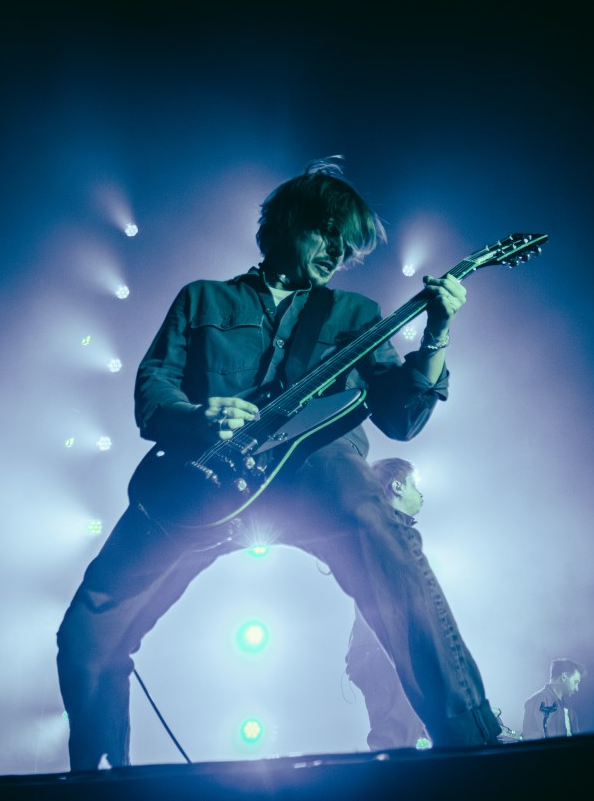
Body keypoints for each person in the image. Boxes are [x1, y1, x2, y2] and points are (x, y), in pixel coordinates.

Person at [55, 156, 503, 771]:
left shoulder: (355, 315)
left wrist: (436, 334)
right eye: (328, 232)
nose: (339, 250)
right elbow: (152, 396)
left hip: (316, 472)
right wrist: (199, 415)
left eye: (349, 245)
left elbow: (402, 418)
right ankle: (95, 781)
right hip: (202, 483)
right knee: (87, 633)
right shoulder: (202, 300)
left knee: (380, 528)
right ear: (287, 224)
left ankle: (476, 750)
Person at [344, 457, 430, 751]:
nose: (421, 494)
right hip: (387, 652)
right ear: (396, 486)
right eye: (414, 486)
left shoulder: (387, 530)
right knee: (395, 742)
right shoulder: (381, 530)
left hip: (382, 651)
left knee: (414, 739)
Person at [521, 658, 586, 740]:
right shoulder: (539, 701)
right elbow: (533, 741)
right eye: (575, 682)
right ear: (564, 677)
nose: (577, 689)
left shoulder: (569, 709)